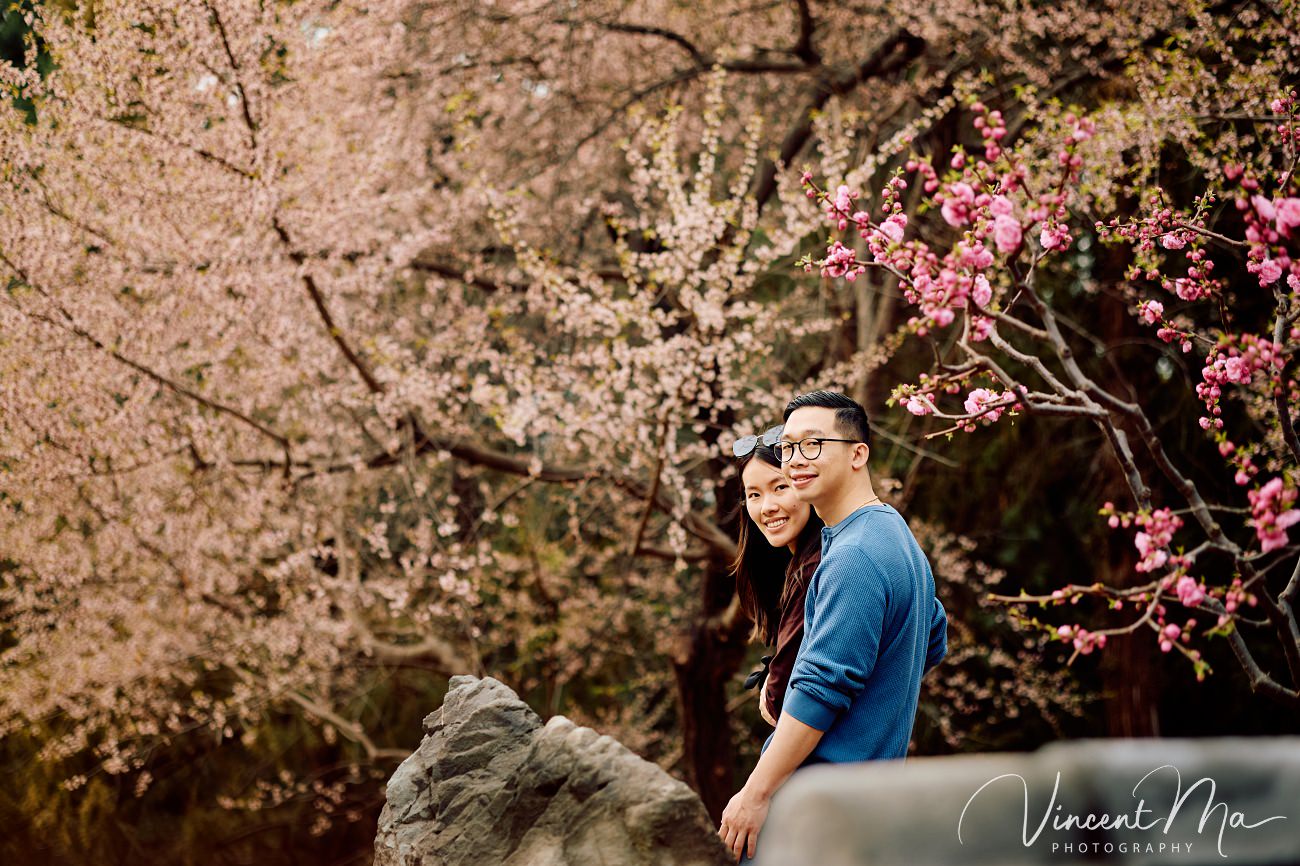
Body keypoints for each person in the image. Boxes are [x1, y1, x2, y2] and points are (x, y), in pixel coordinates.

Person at [719, 391, 948, 862]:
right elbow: (934, 638)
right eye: (788, 447)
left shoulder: (853, 556)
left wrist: (754, 794)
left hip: (817, 811)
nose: (796, 459)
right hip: (861, 804)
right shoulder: (892, 532)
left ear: (857, 454)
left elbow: (820, 690)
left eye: (813, 444)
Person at [730, 426, 825, 727]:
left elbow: (778, 701)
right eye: (754, 495)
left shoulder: (815, 569)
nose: (768, 507)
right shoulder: (794, 566)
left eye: (780, 487)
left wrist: (771, 688)